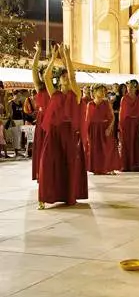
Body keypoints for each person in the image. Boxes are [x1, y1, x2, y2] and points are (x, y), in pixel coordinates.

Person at [38, 45, 88, 209]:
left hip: (69, 133)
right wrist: (53, 58)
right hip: (53, 133)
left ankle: (68, 195)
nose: (66, 79)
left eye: (67, 77)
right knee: (48, 162)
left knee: (69, 164)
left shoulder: (76, 94)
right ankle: (45, 196)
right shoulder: (55, 94)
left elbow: (73, 77)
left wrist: (67, 57)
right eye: (63, 77)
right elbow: (46, 77)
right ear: (59, 80)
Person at [85, 84, 120, 175]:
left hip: (105, 128)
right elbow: (87, 120)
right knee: (96, 150)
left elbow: (113, 117)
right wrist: (87, 134)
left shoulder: (106, 103)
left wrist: (109, 128)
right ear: (95, 92)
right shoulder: (90, 104)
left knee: (108, 148)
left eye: (104, 91)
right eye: (101, 90)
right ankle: (97, 169)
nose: (103, 92)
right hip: (94, 130)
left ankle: (108, 168)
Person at [119, 79, 139, 172]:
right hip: (127, 124)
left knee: (137, 144)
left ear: (135, 88)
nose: (129, 89)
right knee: (127, 144)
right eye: (128, 87)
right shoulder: (124, 98)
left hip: (137, 123)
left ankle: (136, 164)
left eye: (132, 87)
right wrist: (120, 125)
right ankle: (127, 165)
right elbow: (121, 113)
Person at [30, 42, 51, 180]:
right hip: (43, 118)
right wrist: (38, 52)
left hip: (53, 119)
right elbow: (33, 69)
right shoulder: (40, 87)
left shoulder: (54, 88)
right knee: (42, 146)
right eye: (44, 72)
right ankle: (42, 173)